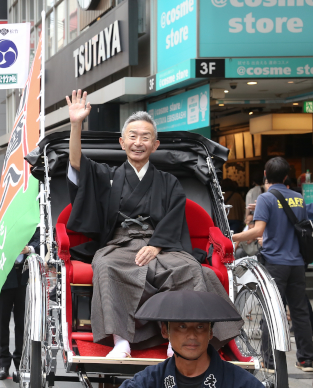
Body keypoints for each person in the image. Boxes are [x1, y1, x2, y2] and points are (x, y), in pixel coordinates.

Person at [65, 90, 241, 358]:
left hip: (162, 246)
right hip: (120, 244)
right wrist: (76, 123)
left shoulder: (168, 181)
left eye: (145, 137)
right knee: (105, 265)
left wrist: (157, 245)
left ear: (155, 145)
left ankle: (178, 338)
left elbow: (174, 217)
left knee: (191, 269)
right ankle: (121, 340)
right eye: (133, 137)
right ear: (122, 143)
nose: (138, 142)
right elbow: (77, 164)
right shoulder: (107, 176)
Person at [232, 156, 313, 372]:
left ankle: (270, 362)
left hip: (275, 264)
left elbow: (258, 231)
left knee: (270, 311)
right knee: (300, 312)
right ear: (287, 176)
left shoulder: (266, 199)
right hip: (296, 263)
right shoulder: (298, 198)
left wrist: (234, 237)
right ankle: (306, 359)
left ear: (266, 175)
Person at [120, 290, 262, 388]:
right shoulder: (149, 381)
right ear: (165, 331)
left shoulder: (240, 382)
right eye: (182, 326)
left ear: (210, 332)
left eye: (200, 327)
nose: (192, 335)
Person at [0, 201, 34, 383]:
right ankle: (3, 364)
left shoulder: (28, 210)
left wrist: (29, 248)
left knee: (22, 323)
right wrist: (7, 223)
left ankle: (21, 364)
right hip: (4, 276)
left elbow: (38, 238)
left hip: (24, 275)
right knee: (2, 321)